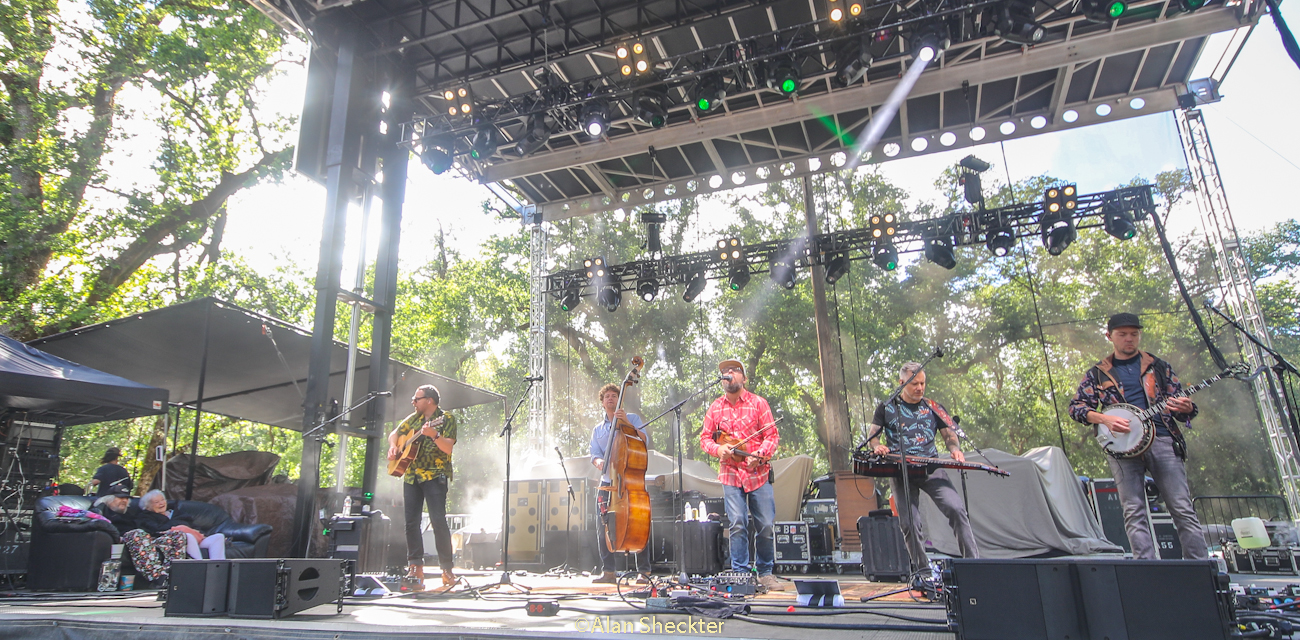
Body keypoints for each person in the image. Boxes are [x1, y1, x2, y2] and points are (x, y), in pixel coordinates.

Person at [1068, 312, 1208, 560]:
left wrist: (1188, 409)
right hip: (1121, 448)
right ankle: (1146, 569)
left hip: (1163, 439)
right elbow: (1077, 408)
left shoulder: (1160, 367)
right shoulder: (1097, 373)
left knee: (1182, 508)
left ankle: (1199, 567)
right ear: (1110, 336)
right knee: (1133, 510)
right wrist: (1105, 419)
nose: (1129, 339)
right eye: (1122, 335)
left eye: (1134, 334)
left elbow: (1184, 408)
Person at [866, 362, 979, 570]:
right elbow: (873, 437)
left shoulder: (933, 407)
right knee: (909, 523)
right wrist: (877, 446)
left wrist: (955, 448)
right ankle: (923, 571)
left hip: (931, 468)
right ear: (902, 383)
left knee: (956, 509)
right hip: (901, 472)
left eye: (923, 383)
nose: (920, 388)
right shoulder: (887, 407)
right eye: (915, 384)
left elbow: (949, 434)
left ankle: (973, 565)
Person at [699, 359, 784, 592]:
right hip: (730, 474)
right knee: (737, 524)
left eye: (734, 371)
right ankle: (741, 575)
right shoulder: (716, 407)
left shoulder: (759, 403)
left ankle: (765, 572)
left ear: (744, 378)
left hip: (758, 473)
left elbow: (772, 436)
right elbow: (705, 438)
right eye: (725, 372)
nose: (729, 374)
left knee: (765, 525)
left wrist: (760, 453)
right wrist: (718, 449)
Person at [388, 384, 458, 590]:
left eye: (416, 399)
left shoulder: (446, 418)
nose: (413, 402)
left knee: (438, 521)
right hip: (411, 476)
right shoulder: (413, 420)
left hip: (435, 475)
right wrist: (394, 447)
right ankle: (415, 568)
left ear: (429, 400)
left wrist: (434, 435)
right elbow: (394, 434)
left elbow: (448, 447)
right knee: (411, 523)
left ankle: (446, 569)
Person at [588, 383, 649, 584]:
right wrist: (599, 462)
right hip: (608, 482)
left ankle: (644, 571)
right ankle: (609, 572)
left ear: (619, 400)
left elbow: (644, 439)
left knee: (639, 523)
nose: (611, 398)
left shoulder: (632, 418)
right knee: (603, 527)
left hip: (629, 483)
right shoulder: (598, 430)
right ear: (602, 402)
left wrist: (626, 423)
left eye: (615, 395)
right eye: (607, 396)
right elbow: (595, 454)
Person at [137, 489, 227, 560]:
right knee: (186, 534)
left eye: (163, 500)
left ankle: (218, 569)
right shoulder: (145, 517)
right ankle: (198, 565)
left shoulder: (176, 513)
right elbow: (156, 529)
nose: (161, 503)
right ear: (148, 507)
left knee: (218, 537)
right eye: (156, 502)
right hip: (174, 541)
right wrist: (181, 527)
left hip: (197, 539)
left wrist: (193, 530)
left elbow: (194, 526)